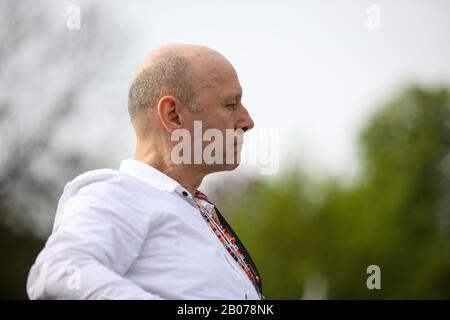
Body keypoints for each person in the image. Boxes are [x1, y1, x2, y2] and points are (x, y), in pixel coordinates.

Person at [27, 44, 263, 299]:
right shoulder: (117, 192)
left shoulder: (197, 210)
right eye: (231, 104)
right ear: (173, 116)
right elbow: (59, 274)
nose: (247, 122)